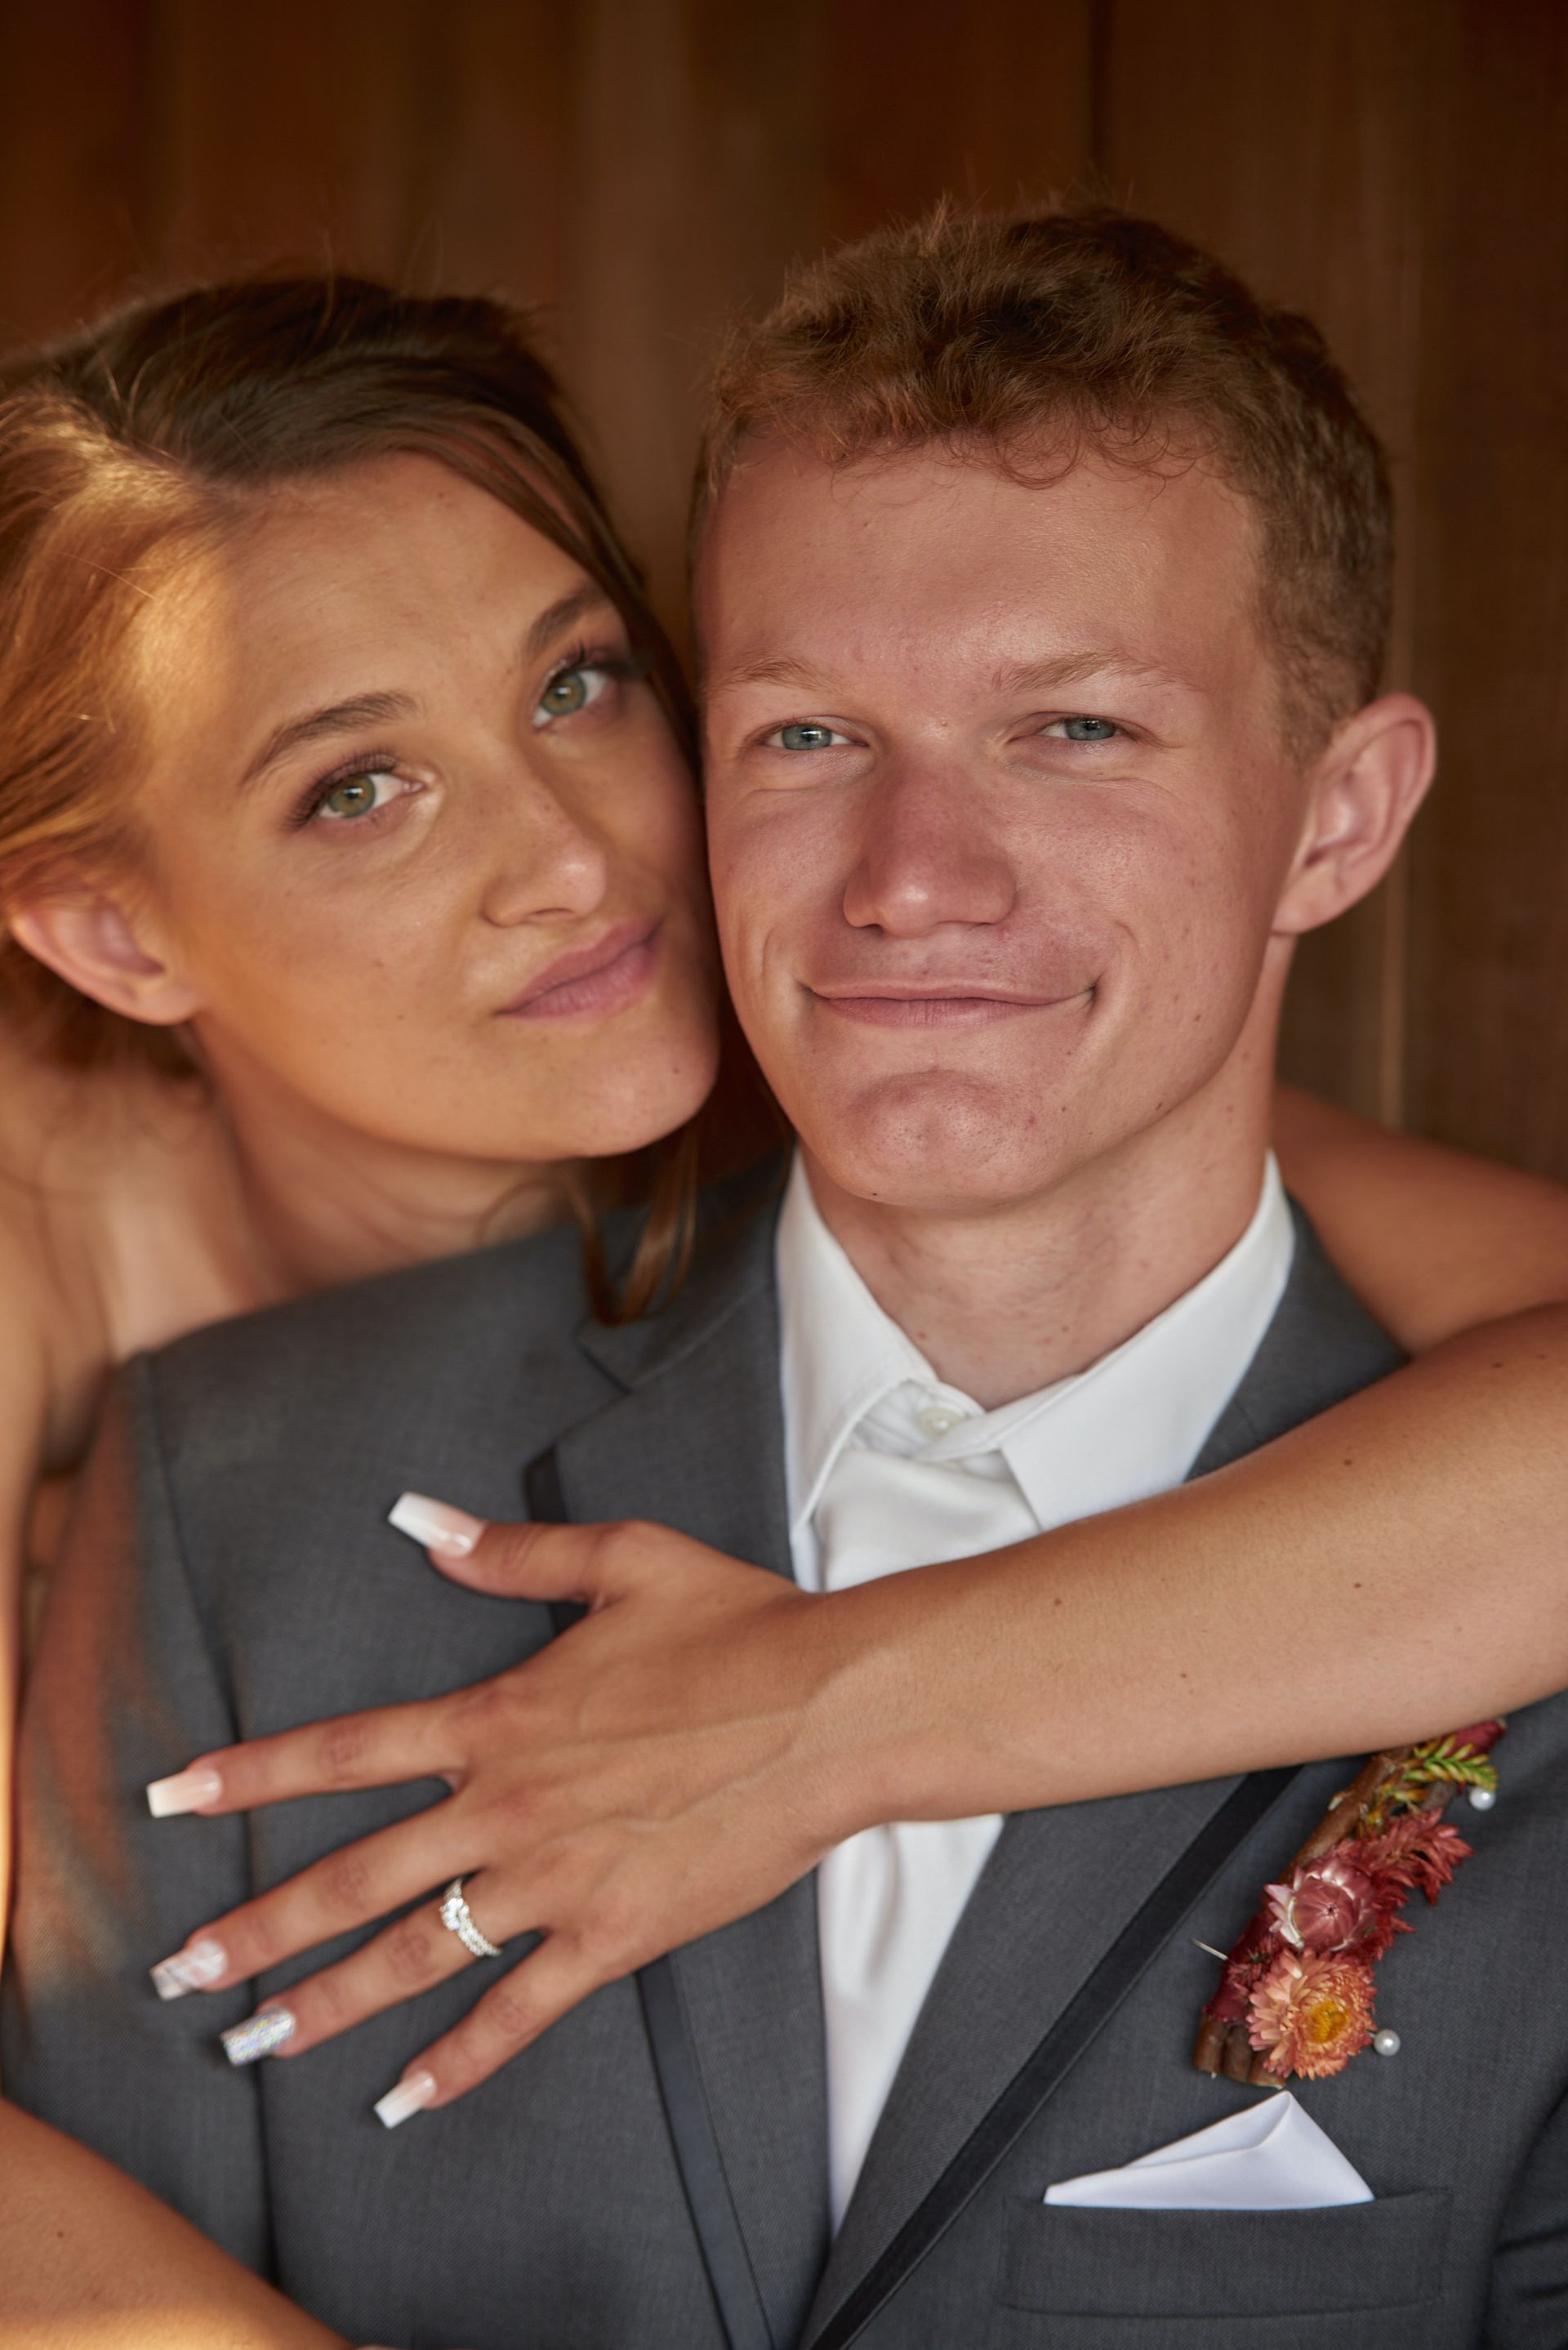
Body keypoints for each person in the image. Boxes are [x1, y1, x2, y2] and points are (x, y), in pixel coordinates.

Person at [7, 206, 1568, 2348]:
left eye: (1076, 732)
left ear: (1339, 818)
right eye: (811, 737)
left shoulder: (1429, 1402)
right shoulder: (193, 1473)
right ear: (111, 936)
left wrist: (830, 1712)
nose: (918, 884)